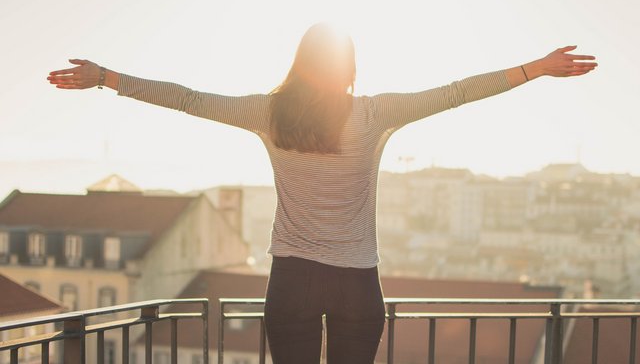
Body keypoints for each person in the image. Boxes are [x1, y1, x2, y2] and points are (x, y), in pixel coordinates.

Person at [48, 23, 597, 363]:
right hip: (358, 284)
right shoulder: (376, 112)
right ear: (349, 66)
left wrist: (108, 77)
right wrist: (535, 70)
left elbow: (189, 99)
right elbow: (454, 93)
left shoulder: (268, 111)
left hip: (292, 281)